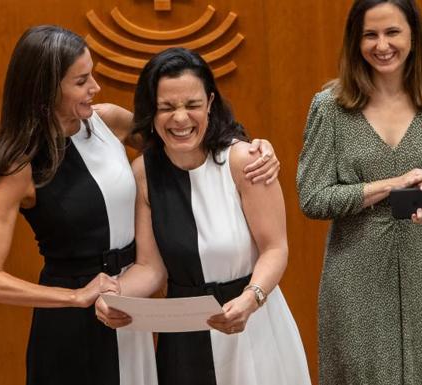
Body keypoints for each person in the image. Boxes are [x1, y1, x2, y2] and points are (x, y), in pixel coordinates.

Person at [0, 26, 280, 385]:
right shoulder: (19, 167)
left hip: (129, 302)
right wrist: (74, 297)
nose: (95, 88)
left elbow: (186, 136)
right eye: (82, 81)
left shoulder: (107, 120)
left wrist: (255, 146)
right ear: (47, 88)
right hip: (72, 321)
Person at [96, 47, 311, 385]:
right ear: (151, 109)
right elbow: (151, 269)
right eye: (166, 107)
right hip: (183, 333)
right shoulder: (144, 173)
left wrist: (251, 298)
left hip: (251, 322)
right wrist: (113, 295)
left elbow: (275, 248)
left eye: (192, 105)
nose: (180, 119)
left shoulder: (244, 161)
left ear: (210, 103)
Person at [296, 1, 422, 384]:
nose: (381, 45)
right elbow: (312, 197)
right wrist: (389, 186)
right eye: (369, 35)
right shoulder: (330, 108)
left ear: (413, 36)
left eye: (392, 32)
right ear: (355, 42)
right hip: (354, 273)